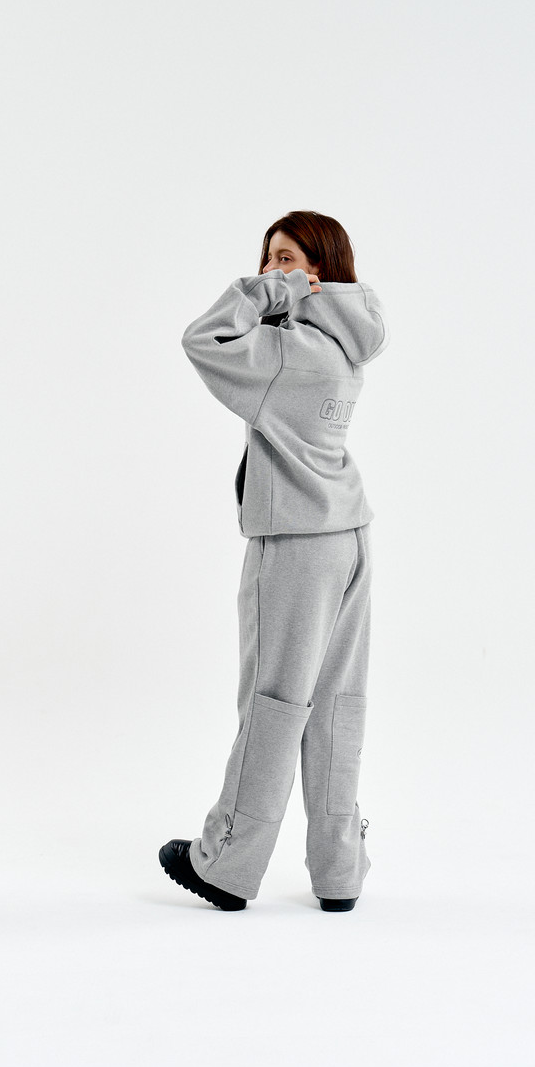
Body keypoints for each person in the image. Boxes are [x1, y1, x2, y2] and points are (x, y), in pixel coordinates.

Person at [159, 210, 389, 912]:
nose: (269, 271)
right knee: (337, 705)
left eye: (285, 258)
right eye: (266, 260)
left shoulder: (287, 349)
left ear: (318, 270)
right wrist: (292, 290)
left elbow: (203, 340)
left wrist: (269, 294)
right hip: (349, 535)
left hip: (294, 543)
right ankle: (339, 869)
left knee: (275, 701)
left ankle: (228, 863)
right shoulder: (345, 345)